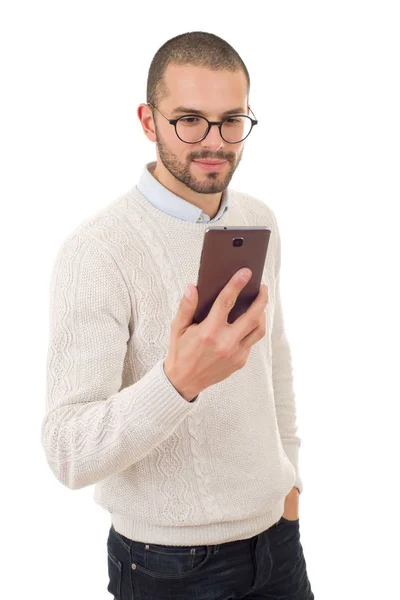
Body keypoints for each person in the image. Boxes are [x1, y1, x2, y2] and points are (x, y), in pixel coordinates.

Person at [41, 30, 314, 599]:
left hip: (277, 544)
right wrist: (178, 380)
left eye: (231, 120)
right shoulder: (98, 250)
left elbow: (275, 364)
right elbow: (68, 450)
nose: (213, 141)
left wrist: (289, 484)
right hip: (168, 568)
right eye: (189, 119)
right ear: (148, 121)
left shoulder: (258, 218)